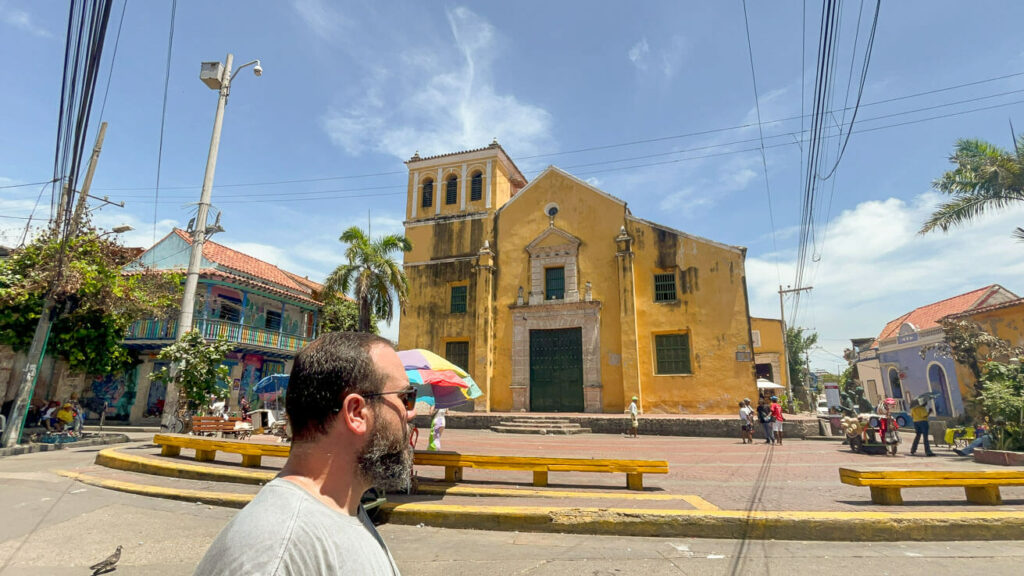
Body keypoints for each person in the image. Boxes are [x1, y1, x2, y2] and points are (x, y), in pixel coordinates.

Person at [194, 332, 412, 575]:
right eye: (405, 399)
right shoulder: (276, 554)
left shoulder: (343, 510)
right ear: (356, 412)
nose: (410, 414)